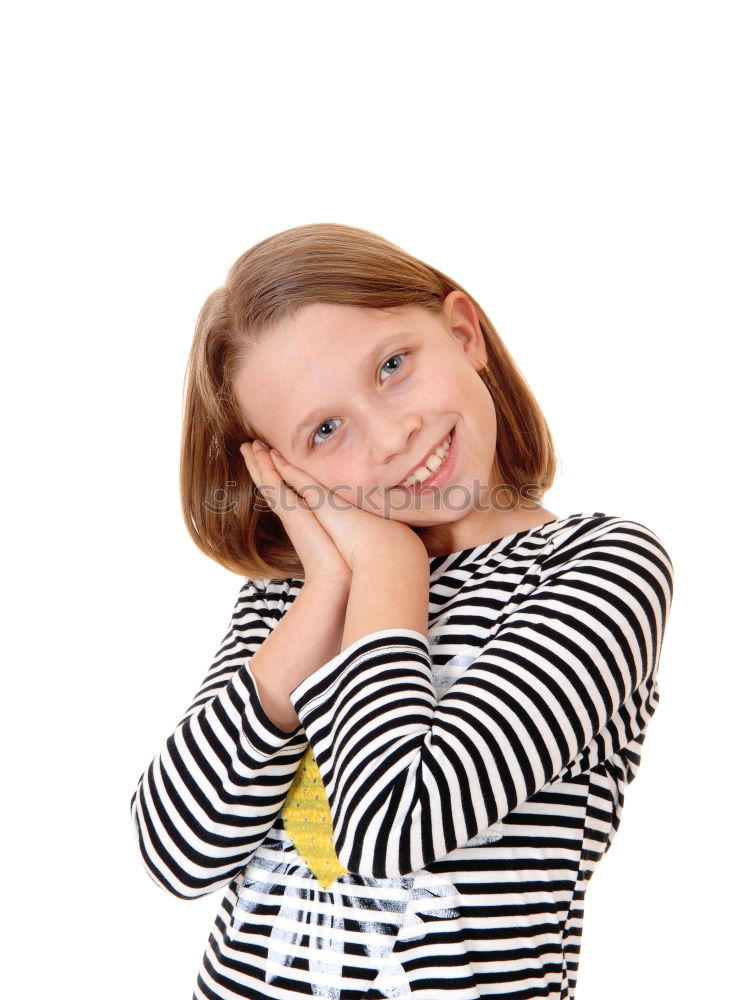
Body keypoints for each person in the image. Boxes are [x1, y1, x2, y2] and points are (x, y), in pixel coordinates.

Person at [130, 223, 674, 1000]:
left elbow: (392, 824)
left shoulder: (597, 568)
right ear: (282, 471)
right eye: (325, 430)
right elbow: (175, 851)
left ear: (462, 332)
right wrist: (324, 592)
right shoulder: (287, 595)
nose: (391, 438)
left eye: (392, 366)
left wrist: (388, 565)